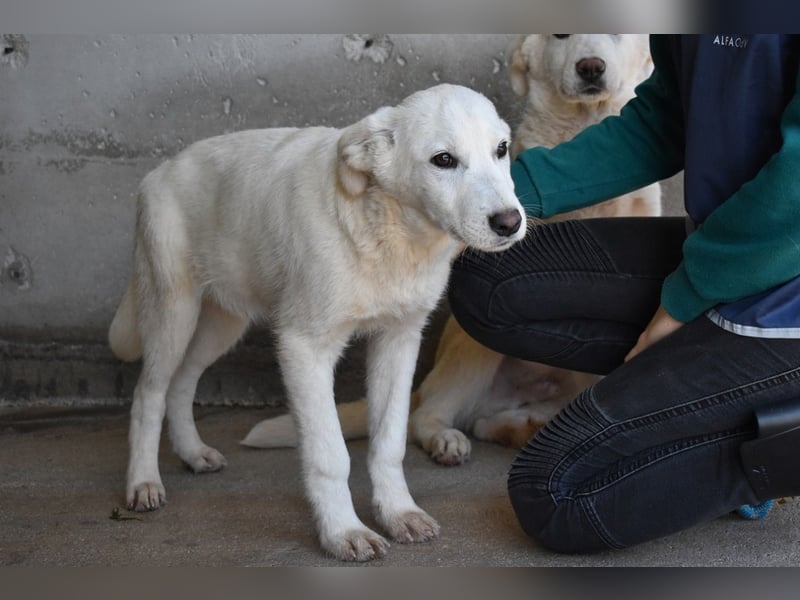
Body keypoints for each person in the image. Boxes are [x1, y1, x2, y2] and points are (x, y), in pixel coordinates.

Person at [447, 34, 800, 552]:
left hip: (784, 295)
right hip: (726, 254)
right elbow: (665, 119)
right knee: (489, 278)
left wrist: (686, 294)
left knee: (553, 496)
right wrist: (492, 195)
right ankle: (721, 398)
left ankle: (774, 445)